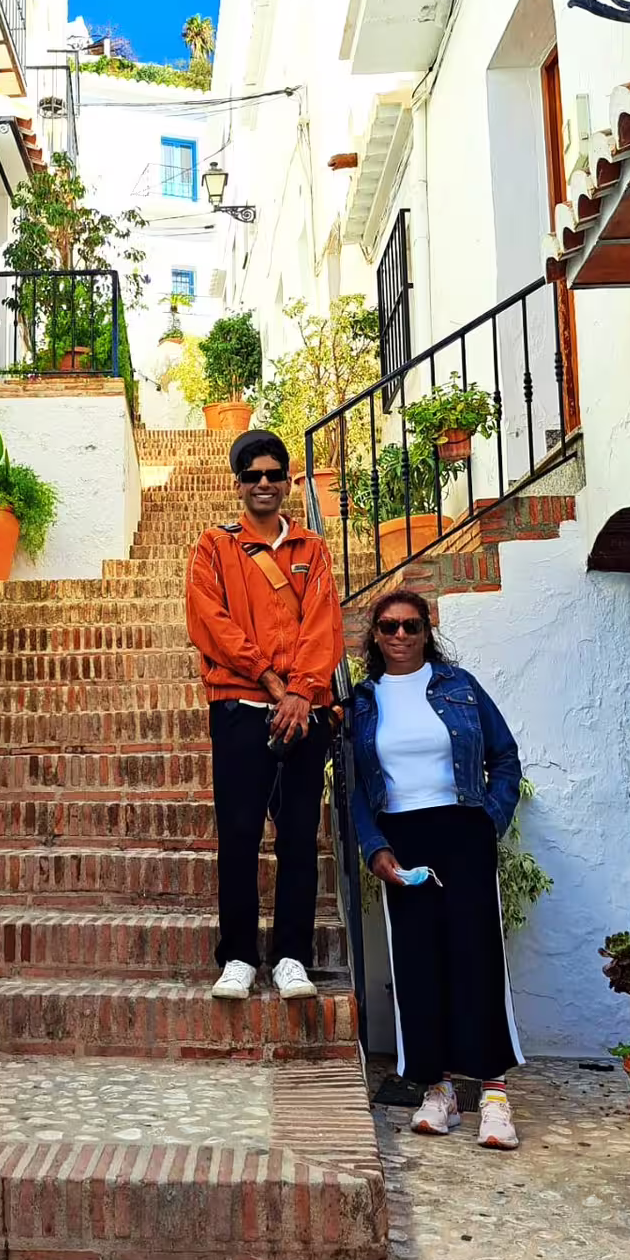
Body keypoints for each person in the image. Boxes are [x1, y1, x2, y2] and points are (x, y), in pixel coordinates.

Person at [349, 588, 525, 1149]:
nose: (399, 636)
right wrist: (376, 847)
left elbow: (505, 757)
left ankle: (494, 1095)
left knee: (477, 957)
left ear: (427, 631)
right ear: (374, 636)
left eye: (410, 626)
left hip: (462, 831)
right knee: (417, 965)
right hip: (402, 838)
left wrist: (489, 822)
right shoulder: (363, 701)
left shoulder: (461, 689)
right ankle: (438, 1090)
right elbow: (355, 786)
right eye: (388, 627)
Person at [186, 430, 345, 1002]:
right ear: (238, 483)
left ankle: (292, 957)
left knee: (300, 835)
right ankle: (237, 956)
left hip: (302, 713)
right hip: (240, 706)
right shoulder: (214, 547)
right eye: (252, 475)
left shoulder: (312, 549)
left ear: (287, 482)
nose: (264, 485)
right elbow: (210, 620)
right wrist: (269, 678)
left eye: (273, 475)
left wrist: (303, 692)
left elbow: (324, 624)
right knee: (238, 835)